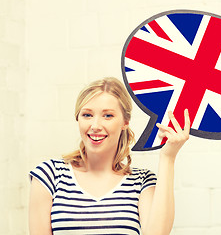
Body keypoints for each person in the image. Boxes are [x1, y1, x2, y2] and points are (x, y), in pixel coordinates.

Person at [28, 77, 190, 235]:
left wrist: (168, 158)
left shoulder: (142, 182)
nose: (96, 126)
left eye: (108, 116)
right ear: (78, 118)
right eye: (87, 115)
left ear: (125, 122)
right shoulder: (50, 175)